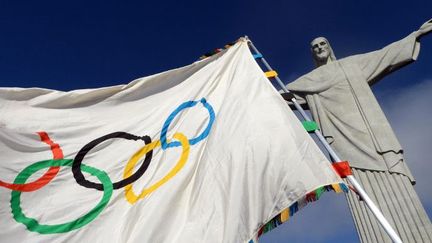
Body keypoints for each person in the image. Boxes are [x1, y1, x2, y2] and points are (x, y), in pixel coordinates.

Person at [286, 19, 432, 243]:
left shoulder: (352, 65)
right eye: (314, 47)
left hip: (375, 141)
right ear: (312, 54)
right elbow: (282, 96)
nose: (319, 48)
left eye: (322, 44)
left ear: (329, 46)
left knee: (396, 184)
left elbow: (385, 55)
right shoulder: (308, 81)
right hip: (344, 146)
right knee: (360, 190)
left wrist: (417, 34)